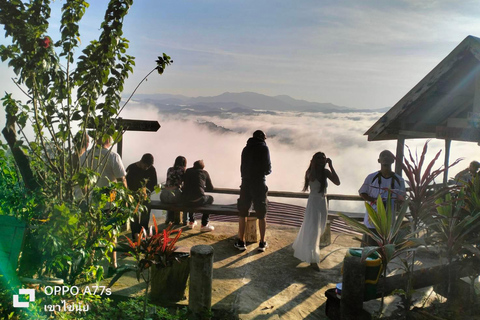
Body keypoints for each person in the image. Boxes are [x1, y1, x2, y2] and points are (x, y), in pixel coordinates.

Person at [80, 135, 127, 273]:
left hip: (91, 203)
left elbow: (83, 182)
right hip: (109, 203)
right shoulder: (113, 156)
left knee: (91, 233)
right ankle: (113, 265)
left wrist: (87, 197)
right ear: (107, 140)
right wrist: (125, 199)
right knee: (111, 235)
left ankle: (89, 264)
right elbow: (121, 180)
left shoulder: (85, 156)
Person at [292, 152, 340, 270]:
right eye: (318, 158)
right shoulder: (310, 172)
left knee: (320, 227)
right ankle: (313, 260)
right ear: (314, 160)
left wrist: (331, 166)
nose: (321, 160)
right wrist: (314, 165)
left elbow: (337, 182)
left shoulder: (325, 172)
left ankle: (309, 253)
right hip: (313, 202)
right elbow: (312, 178)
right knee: (313, 229)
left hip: (322, 202)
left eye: (323, 158)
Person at [358, 150, 406, 247]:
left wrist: (397, 203)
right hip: (372, 220)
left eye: (388, 156)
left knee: (385, 249)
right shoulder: (371, 177)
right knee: (370, 248)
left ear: (393, 160)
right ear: (379, 160)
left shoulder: (399, 180)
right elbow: (362, 192)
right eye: (383, 156)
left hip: (389, 221)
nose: (385, 158)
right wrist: (375, 201)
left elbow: (402, 198)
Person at [235, 130, 271, 252]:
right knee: (261, 213)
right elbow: (267, 168)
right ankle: (262, 242)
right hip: (259, 183)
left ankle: (241, 241)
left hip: (245, 182)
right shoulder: (263, 148)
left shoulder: (245, 149)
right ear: (262, 138)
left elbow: (242, 167)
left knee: (243, 212)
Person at [126, 153, 158, 240]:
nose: (146, 168)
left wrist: (147, 192)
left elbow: (154, 184)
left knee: (146, 212)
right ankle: (135, 233)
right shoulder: (131, 168)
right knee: (134, 214)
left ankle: (143, 231)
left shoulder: (151, 169)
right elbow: (126, 183)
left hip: (145, 196)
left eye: (148, 166)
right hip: (133, 195)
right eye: (145, 166)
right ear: (141, 161)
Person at [182, 160, 215, 232]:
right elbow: (210, 188)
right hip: (198, 199)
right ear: (202, 167)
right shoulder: (204, 173)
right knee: (210, 199)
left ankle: (191, 221)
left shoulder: (188, 171)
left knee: (191, 197)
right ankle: (204, 224)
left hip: (186, 199)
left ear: (193, 165)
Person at [160, 156, 187, 224]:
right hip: (175, 196)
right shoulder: (183, 170)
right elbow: (184, 182)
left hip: (164, 196)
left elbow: (168, 182)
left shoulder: (170, 169)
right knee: (184, 200)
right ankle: (182, 220)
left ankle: (169, 219)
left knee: (171, 200)